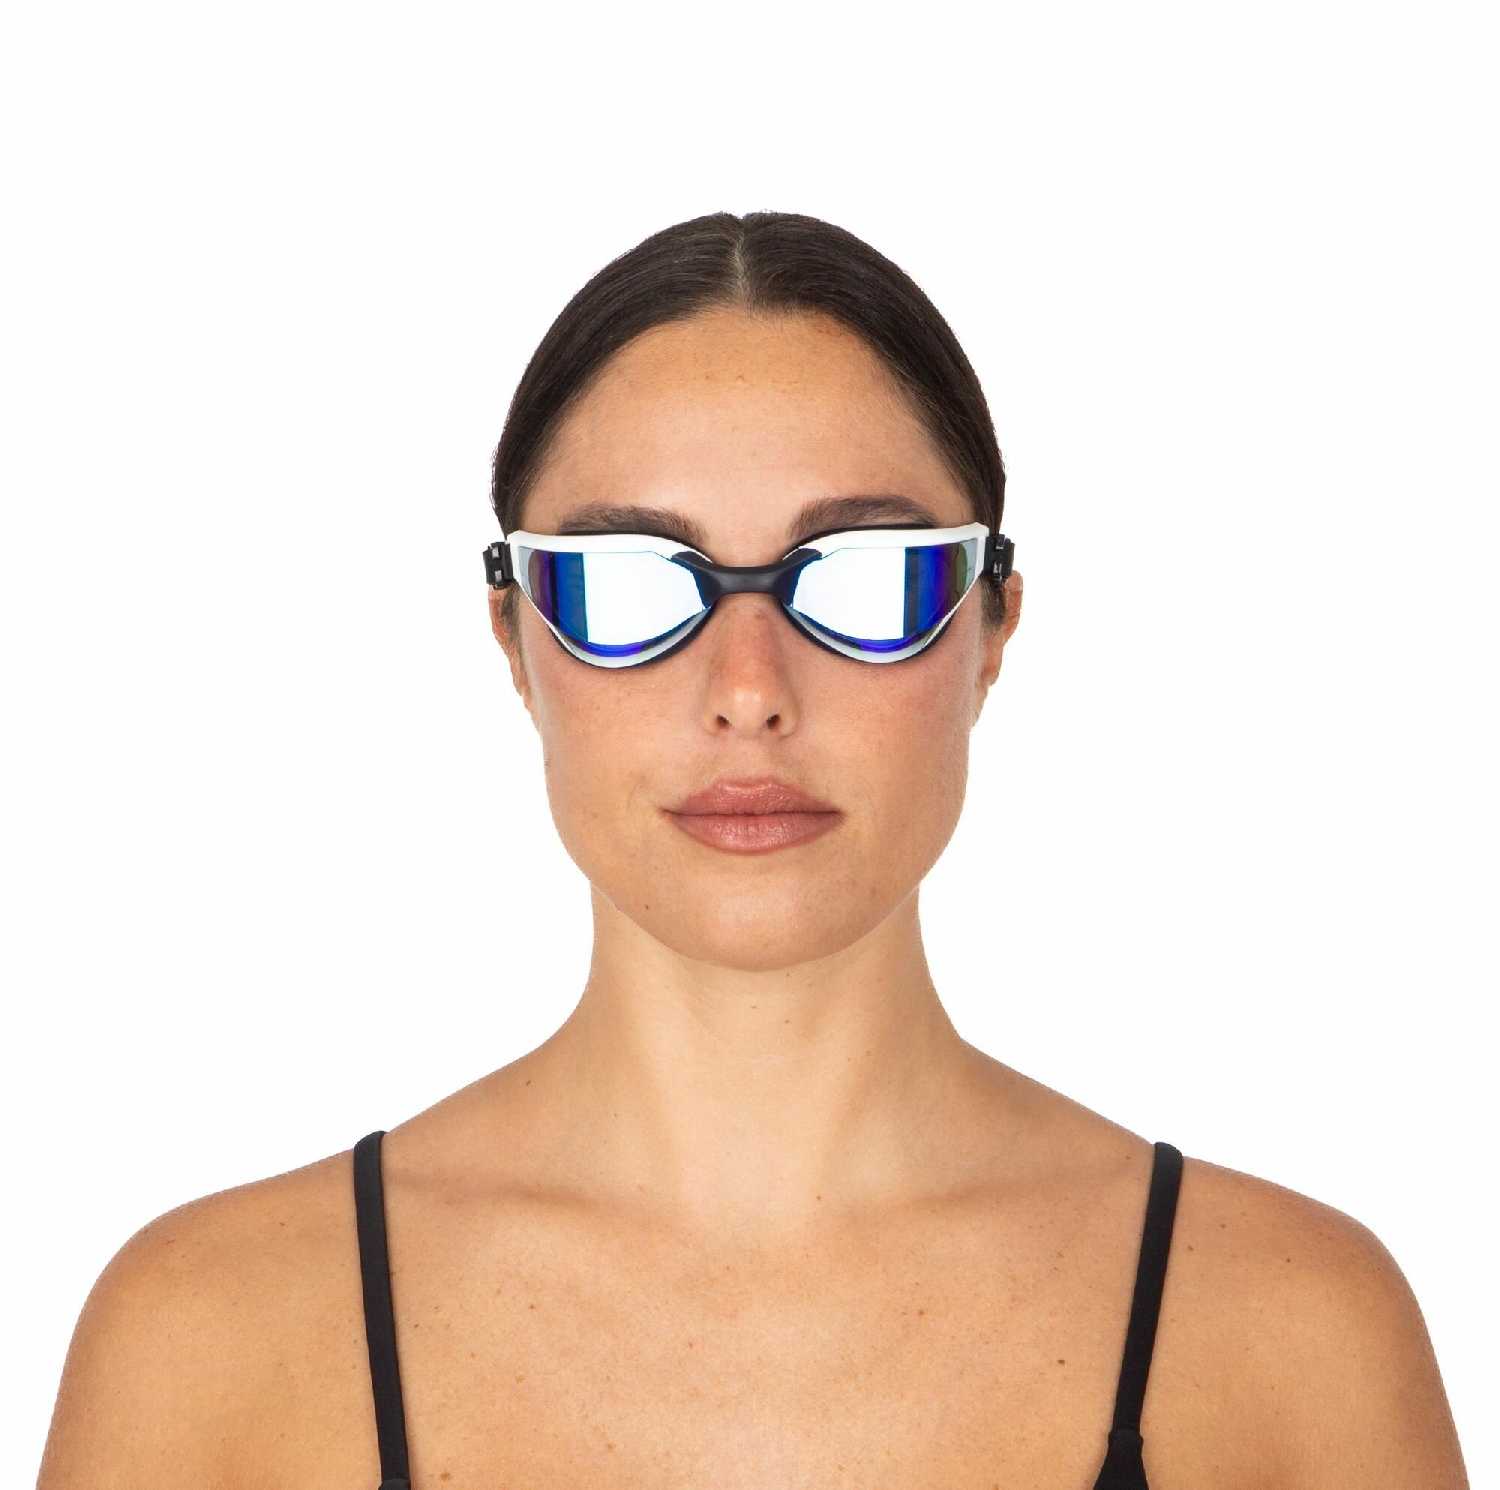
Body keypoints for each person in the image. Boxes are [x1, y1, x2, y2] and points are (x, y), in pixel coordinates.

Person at [38, 211, 1467, 1489]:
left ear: (993, 626)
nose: (748, 687)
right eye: (623, 583)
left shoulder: (1291, 1338)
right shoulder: (207, 1343)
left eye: (864, 574)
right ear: (515, 640)